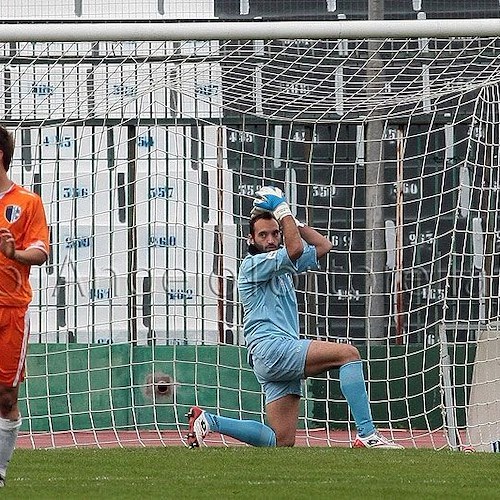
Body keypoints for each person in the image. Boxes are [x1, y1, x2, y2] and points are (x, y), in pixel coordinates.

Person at [186, 186, 402, 449]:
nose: (270, 239)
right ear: (250, 240)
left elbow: (324, 245)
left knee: (281, 440)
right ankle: (367, 434)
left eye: (275, 233)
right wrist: (281, 210)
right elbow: (296, 249)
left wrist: (293, 222)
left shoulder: (282, 262)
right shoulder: (253, 264)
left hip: (270, 355)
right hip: (272, 348)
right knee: (349, 354)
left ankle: (209, 421)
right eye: (262, 235)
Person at [0, 125, 50, 487]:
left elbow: (42, 252)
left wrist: (14, 253)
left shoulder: (27, 203)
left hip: (11, 311)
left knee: (5, 397)